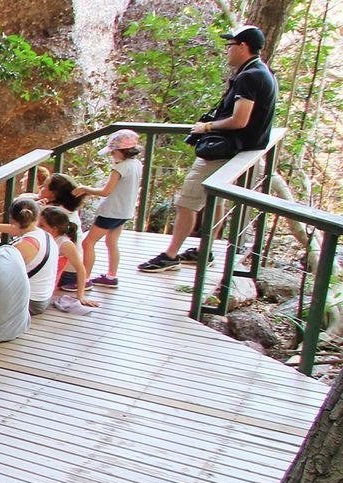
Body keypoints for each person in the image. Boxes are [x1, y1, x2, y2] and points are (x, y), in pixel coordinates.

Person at [141, 25, 277, 272]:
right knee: (216, 201)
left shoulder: (249, 76)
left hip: (225, 149)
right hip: (239, 149)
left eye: (231, 46)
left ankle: (170, 256)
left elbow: (240, 119)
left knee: (187, 202)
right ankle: (205, 249)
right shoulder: (262, 72)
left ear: (243, 46)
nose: (228, 51)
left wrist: (207, 127)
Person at [74, 129, 144, 288]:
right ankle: (111, 277)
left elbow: (106, 191)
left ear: (121, 151)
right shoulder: (137, 164)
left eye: (113, 152)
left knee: (88, 243)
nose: (112, 155)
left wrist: (85, 189)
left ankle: (84, 280)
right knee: (112, 242)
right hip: (125, 211)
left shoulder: (119, 168)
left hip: (111, 211)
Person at [0, 198, 58, 315]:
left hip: (30, 302)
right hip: (43, 297)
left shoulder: (22, 246)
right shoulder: (45, 235)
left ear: (12, 219)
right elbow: (16, 229)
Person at [41, 206, 100, 309]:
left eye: (41, 225)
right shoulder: (43, 236)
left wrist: (80, 296)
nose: (37, 227)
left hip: (46, 284)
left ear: (54, 229)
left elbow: (80, 268)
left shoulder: (65, 244)